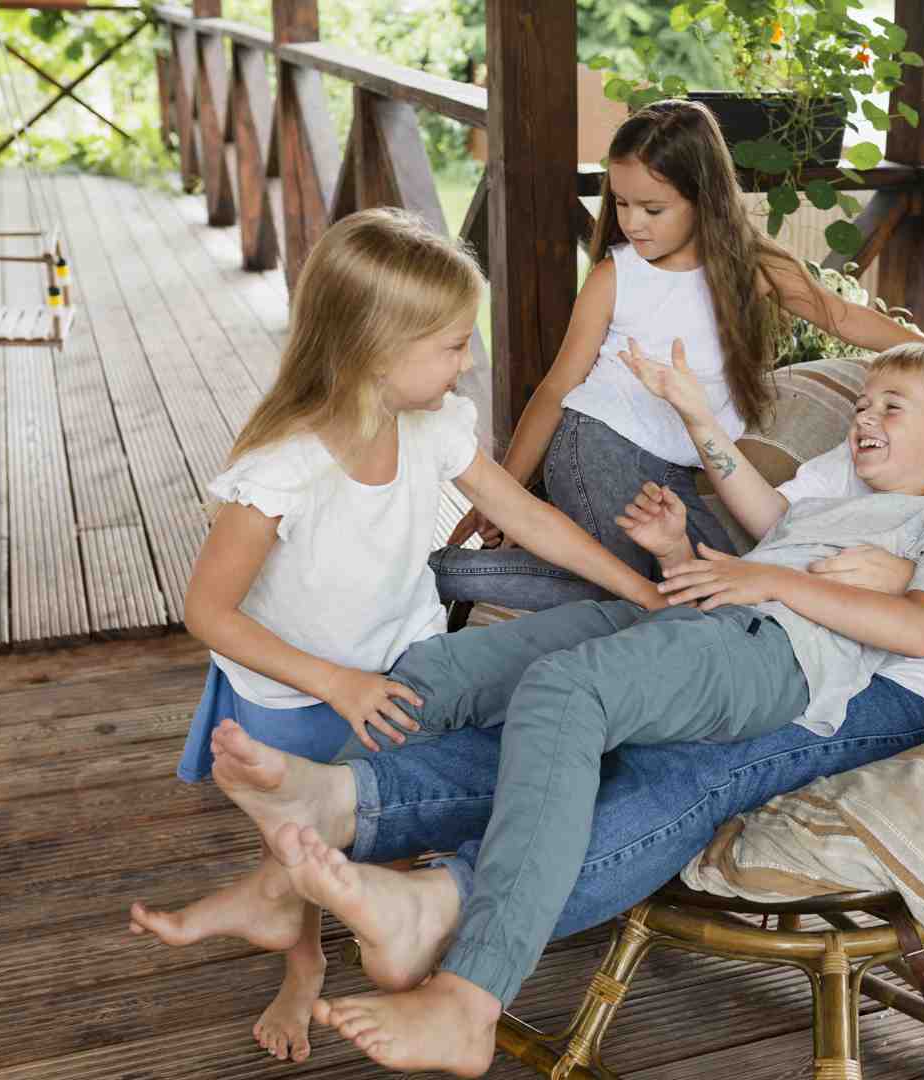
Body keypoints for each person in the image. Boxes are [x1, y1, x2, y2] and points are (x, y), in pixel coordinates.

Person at [160, 256, 924, 1075]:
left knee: (667, 767)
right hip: (749, 620)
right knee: (556, 705)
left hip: (888, 684)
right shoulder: (901, 410)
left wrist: (893, 579)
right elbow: (783, 530)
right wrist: (693, 517)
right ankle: (359, 805)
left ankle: (447, 906)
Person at [124, 208, 664, 1064]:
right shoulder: (284, 468)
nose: (467, 361)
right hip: (293, 686)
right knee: (297, 841)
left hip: (403, 662)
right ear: (376, 348)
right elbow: (209, 612)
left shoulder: (434, 425)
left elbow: (521, 512)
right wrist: (334, 684)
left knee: (381, 810)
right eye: (452, 346)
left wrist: (640, 586)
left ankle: (393, 936)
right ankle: (300, 969)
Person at [431, 97, 924, 611]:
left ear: (703, 198)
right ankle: (444, 573)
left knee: (713, 588)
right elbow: (558, 389)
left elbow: (842, 317)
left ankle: (456, 576)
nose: (631, 223)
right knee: (642, 592)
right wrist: (505, 495)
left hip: (678, 466)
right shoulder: (614, 278)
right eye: (620, 203)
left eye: (652, 209)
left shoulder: (752, 268)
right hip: (598, 443)